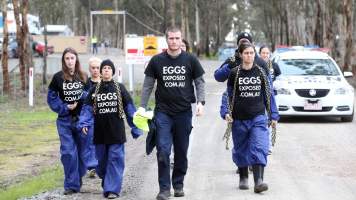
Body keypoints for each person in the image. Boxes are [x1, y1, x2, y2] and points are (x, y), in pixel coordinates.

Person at [140, 27, 205, 200]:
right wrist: (142, 107)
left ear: (181, 39)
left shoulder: (190, 59)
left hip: (183, 113)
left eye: (177, 38)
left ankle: (178, 184)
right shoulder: (157, 60)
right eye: (171, 38)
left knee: (181, 151)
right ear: (166, 39)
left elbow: (199, 82)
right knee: (162, 149)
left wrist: (200, 102)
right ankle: (164, 189)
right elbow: (147, 85)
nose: (174, 41)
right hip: (163, 113)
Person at [79, 59, 142, 199]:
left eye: (109, 68)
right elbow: (87, 109)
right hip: (100, 133)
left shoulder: (120, 88)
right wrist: (84, 123)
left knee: (115, 159)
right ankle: (107, 180)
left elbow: (130, 109)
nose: (106, 70)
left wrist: (135, 127)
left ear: (112, 71)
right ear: (101, 72)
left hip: (116, 133)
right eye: (104, 68)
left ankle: (112, 189)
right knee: (102, 163)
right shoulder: (94, 90)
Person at [226, 42, 279, 193]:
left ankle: (258, 181)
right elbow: (228, 96)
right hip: (239, 118)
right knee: (241, 148)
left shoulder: (261, 72)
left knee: (259, 146)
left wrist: (273, 114)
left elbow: (269, 94)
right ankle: (243, 177)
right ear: (241, 55)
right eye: (246, 53)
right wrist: (226, 112)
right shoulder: (234, 73)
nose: (249, 56)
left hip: (258, 117)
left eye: (251, 53)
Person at [47, 47, 89, 195]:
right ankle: (71, 185)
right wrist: (65, 107)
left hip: (81, 121)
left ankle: (78, 178)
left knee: (83, 153)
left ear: (76, 59)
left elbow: (90, 97)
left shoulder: (84, 76)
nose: (70, 61)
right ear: (63, 61)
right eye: (67, 58)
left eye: (72, 58)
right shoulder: (58, 78)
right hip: (64, 121)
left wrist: (81, 99)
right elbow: (51, 98)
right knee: (68, 153)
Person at [81, 57, 102, 178]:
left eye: (97, 67)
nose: (95, 70)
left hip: (104, 117)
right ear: (89, 69)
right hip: (90, 118)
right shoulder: (85, 84)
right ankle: (92, 167)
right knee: (90, 142)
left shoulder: (106, 83)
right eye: (93, 68)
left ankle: (102, 165)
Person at [259, 45, 281, 154]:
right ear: (259, 54)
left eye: (267, 53)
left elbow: (279, 78)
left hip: (272, 96)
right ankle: (263, 144)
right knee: (263, 121)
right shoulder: (257, 65)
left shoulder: (274, 65)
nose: (265, 55)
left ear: (270, 54)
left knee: (271, 120)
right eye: (263, 53)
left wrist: (276, 86)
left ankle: (268, 146)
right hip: (261, 97)